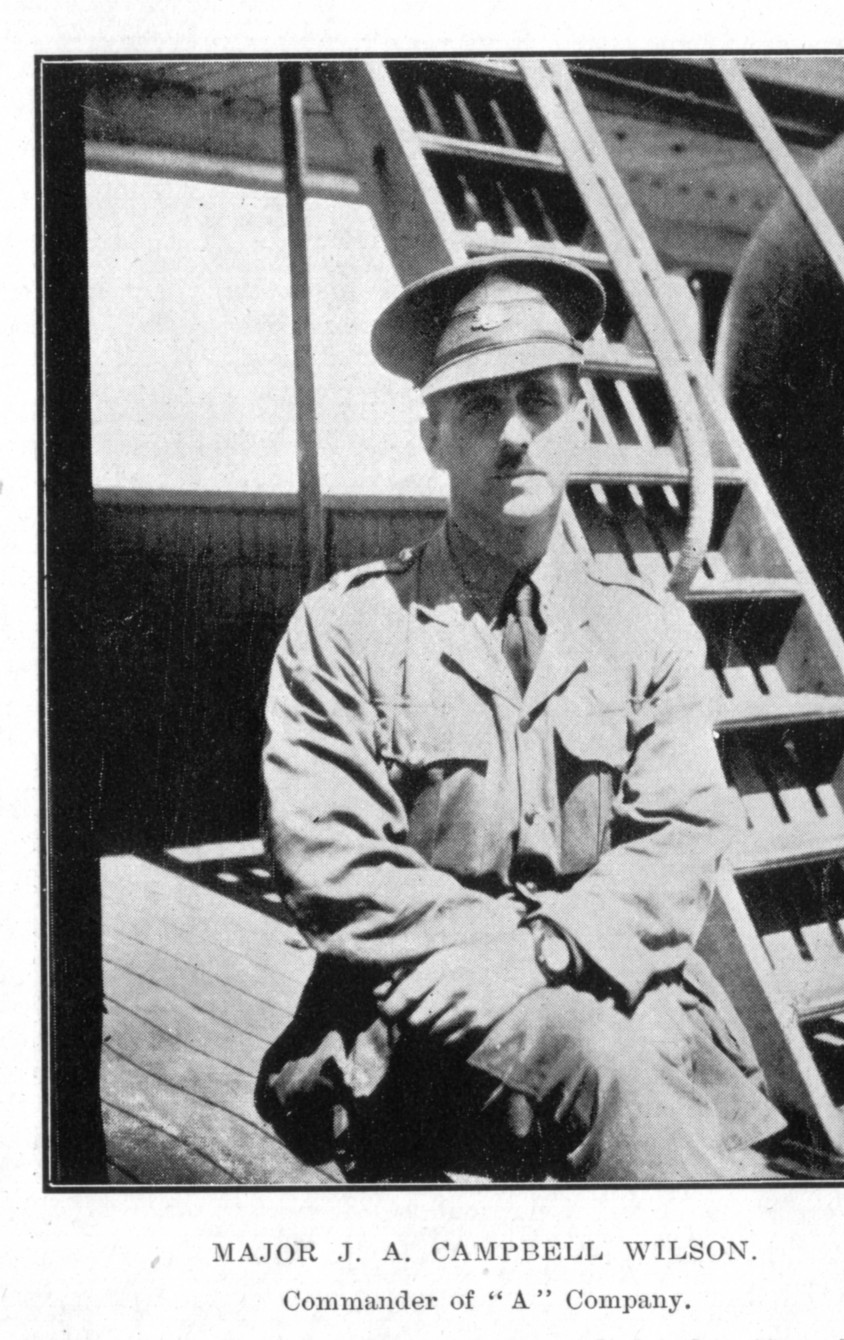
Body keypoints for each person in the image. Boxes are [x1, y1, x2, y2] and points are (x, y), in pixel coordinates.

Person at [256, 253, 785, 1182]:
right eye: (478, 408)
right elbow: (329, 858)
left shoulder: (648, 630)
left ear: (579, 422)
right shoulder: (346, 628)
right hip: (414, 1007)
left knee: (635, 1076)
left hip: (603, 982)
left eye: (539, 401)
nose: (513, 434)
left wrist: (543, 949)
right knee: (612, 1073)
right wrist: (503, 957)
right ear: (432, 437)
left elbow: (681, 839)